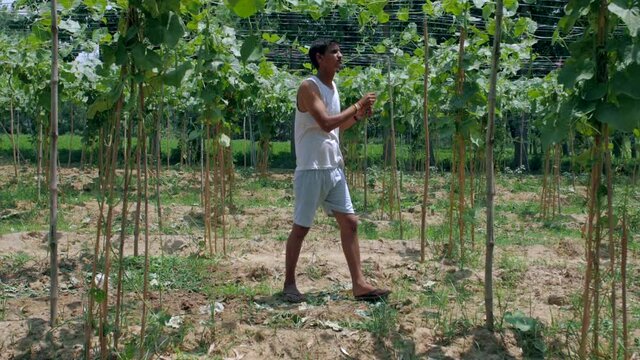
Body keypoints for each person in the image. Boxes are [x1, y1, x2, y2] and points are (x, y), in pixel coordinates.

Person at [282, 39, 391, 303]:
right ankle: (289, 284)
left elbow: (337, 128)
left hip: (333, 168)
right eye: (334, 52)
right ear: (320, 58)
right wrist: (357, 105)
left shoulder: (332, 87)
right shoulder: (309, 87)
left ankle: (359, 284)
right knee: (301, 228)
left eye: (340, 51)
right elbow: (326, 123)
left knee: (350, 223)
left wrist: (357, 116)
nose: (341, 56)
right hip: (311, 169)